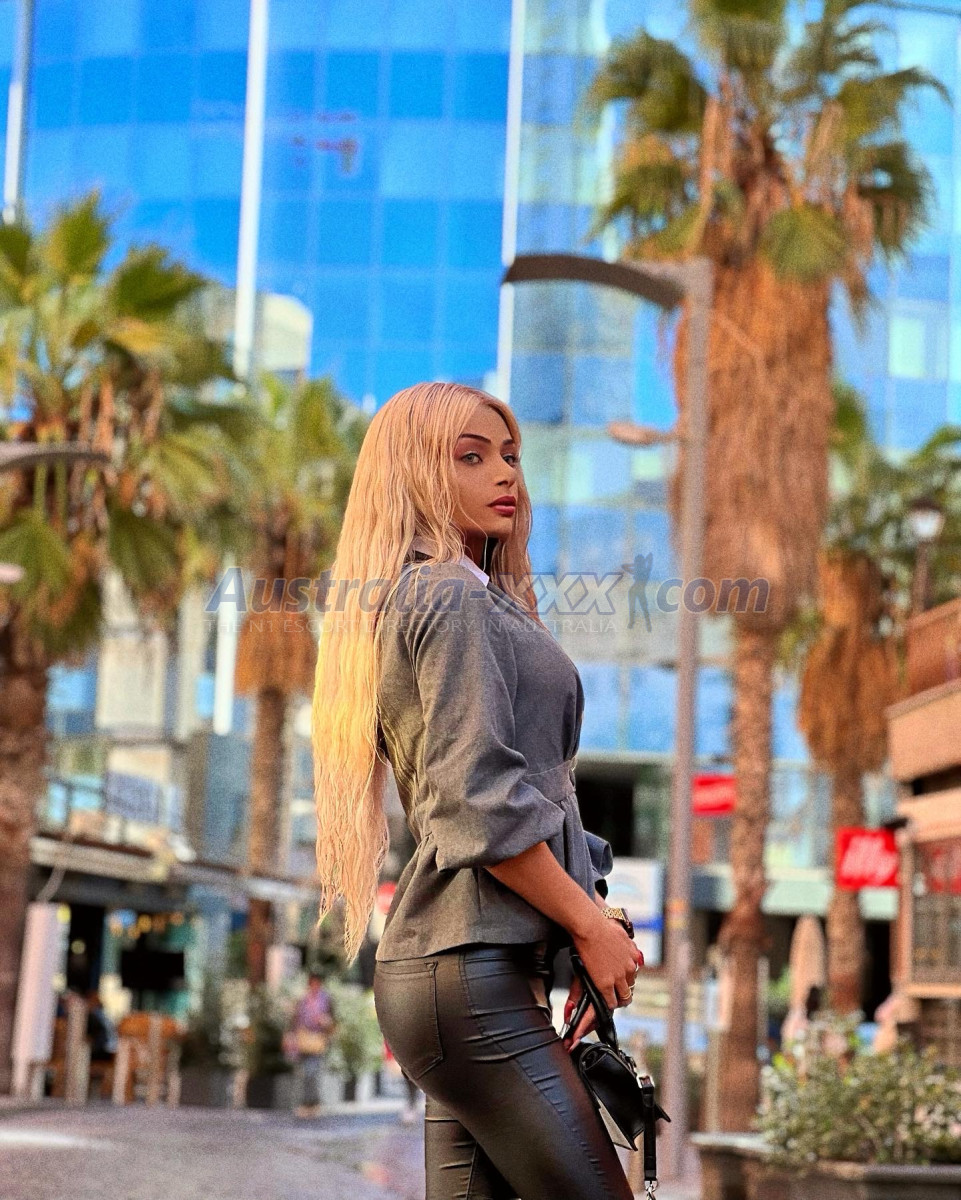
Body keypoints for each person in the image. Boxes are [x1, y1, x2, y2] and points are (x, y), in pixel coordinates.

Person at [311, 382, 643, 1199]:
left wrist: (587, 919)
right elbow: (476, 802)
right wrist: (585, 923)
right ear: (416, 471)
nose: (504, 474)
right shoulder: (446, 594)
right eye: (470, 456)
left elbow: (518, 793)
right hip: (468, 979)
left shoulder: (459, 592)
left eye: (509, 455)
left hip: (463, 976)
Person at [290, 970, 336, 1118]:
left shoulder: (326, 999)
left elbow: (333, 1020)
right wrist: (292, 1035)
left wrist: (325, 1022)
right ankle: (309, 1103)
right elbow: (296, 1018)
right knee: (305, 1073)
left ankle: (312, 1103)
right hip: (304, 1039)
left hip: (318, 1040)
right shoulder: (303, 998)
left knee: (312, 1072)